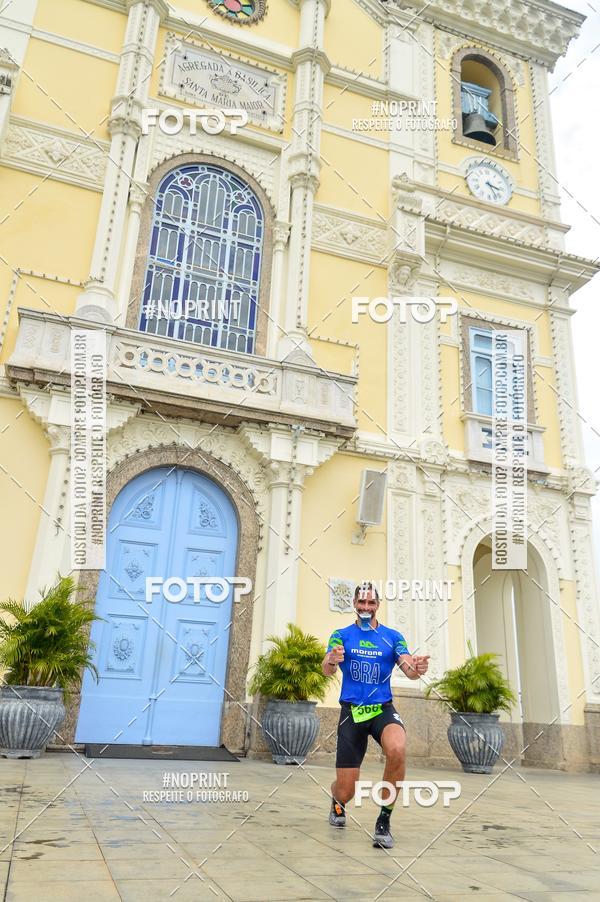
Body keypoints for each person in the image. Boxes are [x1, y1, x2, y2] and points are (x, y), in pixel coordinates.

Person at [321, 582, 429, 848]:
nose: (366, 608)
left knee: (397, 749)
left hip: (382, 709)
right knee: (347, 790)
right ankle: (337, 800)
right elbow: (327, 669)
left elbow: (408, 669)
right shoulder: (341, 635)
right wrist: (333, 658)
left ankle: (384, 820)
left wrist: (418, 668)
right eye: (362, 603)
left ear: (378, 606)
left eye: (371, 603)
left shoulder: (392, 637)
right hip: (352, 712)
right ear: (355, 605)